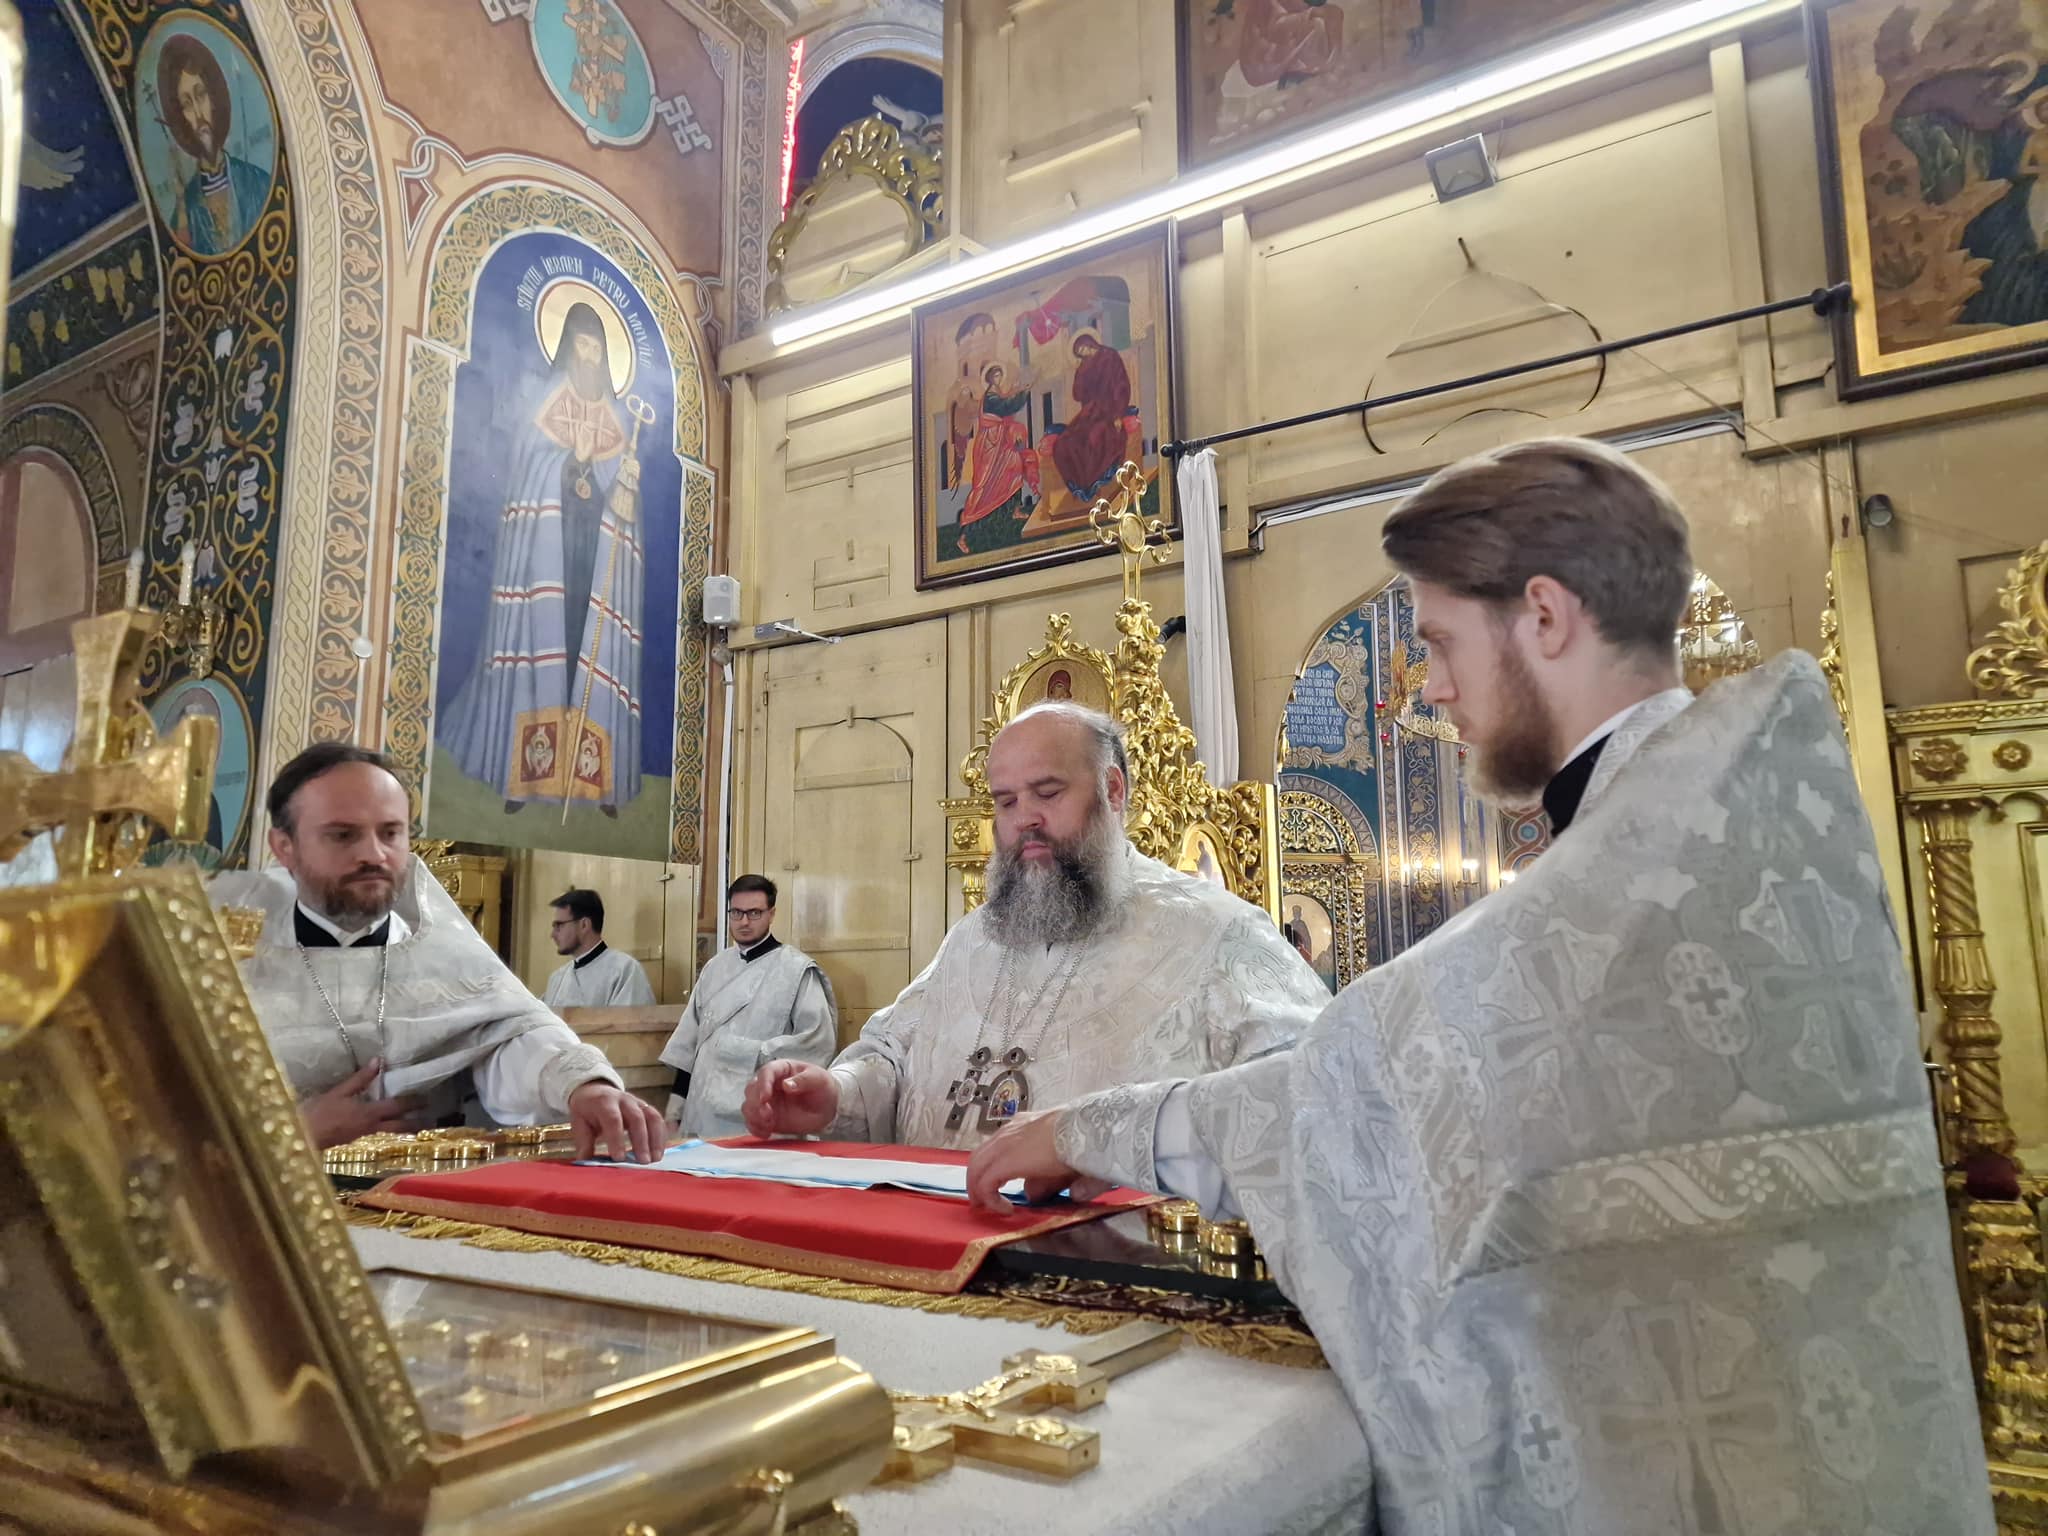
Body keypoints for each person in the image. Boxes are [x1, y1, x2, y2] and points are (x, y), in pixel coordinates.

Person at [968, 438, 1992, 1533]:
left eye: (1440, 642)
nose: (1434, 687)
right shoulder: (1732, 818)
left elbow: (1352, 1094)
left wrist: (1087, 1130)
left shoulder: (1643, 867)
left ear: (1543, 616)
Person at [741, 702, 1329, 1150]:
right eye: (1005, 801)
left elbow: (1311, 1096)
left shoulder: (1220, 934)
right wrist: (835, 1094)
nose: (1025, 818)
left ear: (1113, 791)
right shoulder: (974, 937)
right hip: (935, 1245)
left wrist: (1100, 1140)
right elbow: (895, 1056)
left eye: (1047, 792)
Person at [211, 743, 665, 1162]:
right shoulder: (222, 960)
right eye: (343, 835)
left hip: (422, 1198)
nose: (374, 854)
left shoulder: (443, 953)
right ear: (284, 847)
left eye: (391, 833)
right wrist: (289, 1133)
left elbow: (509, 1035)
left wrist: (582, 1085)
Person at [441, 301, 645, 816]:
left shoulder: (619, 419)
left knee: (590, 655)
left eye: (597, 349)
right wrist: (569, 460)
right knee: (543, 650)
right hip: (548, 560)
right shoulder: (545, 401)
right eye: (582, 345)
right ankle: (525, 781)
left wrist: (625, 480)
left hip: (593, 564)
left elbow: (624, 507)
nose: (590, 357)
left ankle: (596, 783)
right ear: (568, 348)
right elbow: (529, 473)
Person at [658, 875, 838, 1138]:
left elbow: (817, 1043)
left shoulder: (796, 970)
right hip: (701, 1112)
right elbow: (691, 1043)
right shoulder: (714, 968)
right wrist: (675, 1110)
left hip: (761, 1114)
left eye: (754, 913)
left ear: (771, 913)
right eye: (736, 912)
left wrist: (746, 1051)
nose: (743, 922)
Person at [156, 34, 270, 256]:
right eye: (187, 104)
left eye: (201, 95)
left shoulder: (256, 182)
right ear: (180, 117)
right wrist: (181, 203)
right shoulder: (185, 209)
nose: (199, 114)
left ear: (214, 97)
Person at [542, 887, 656, 1009]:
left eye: (559, 925)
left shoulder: (625, 970)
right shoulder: (556, 978)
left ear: (584, 925)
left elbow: (632, 1020)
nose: (553, 935)